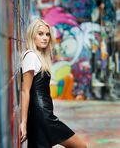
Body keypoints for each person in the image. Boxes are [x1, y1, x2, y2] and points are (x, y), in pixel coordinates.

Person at [20, 19, 87, 148]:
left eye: (47, 34)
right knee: (81, 146)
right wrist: (23, 122)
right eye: (40, 34)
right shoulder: (31, 56)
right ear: (32, 35)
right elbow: (25, 91)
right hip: (43, 116)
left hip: (44, 114)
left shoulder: (40, 57)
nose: (45, 38)